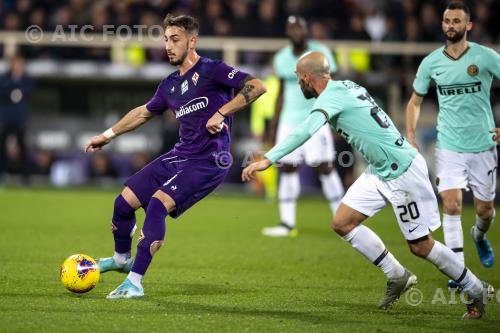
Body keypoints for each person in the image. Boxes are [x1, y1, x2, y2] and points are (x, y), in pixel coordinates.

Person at [242, 51, 493, 319]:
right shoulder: (347, 85)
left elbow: (305, 130)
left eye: (298, 79)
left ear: (306, 77)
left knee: (420, 245)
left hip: (401, 171)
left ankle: (477, 289)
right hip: (380, 169)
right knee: (342, 222)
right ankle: (397, 275)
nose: (298, 84)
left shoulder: (331, 97)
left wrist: (268, 159)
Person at [84, 14, 266, 299]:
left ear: (192, 42)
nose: (168, 46)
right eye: (166, 39)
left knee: (157, 205)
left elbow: (257, 86)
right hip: (180, 156)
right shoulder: (169, 84)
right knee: (123, 203)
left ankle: (135, 282)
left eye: (175, 40)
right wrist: (107, 136)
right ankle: (121, 260)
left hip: (210, 161)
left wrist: (222, 112)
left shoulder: (212, 69)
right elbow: (143, 113)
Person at [406, 2, 500, 290]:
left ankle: (480, 237)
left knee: (485, 211)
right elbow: (415, 101)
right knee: (451, 202)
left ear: (468, 25)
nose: (450, 25)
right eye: (447, 20)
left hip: (483, 145)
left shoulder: (485, 57)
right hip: (448, 145)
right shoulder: (431, 62)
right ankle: (460, 271)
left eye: (456, 21)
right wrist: (410, 133)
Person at [264, 16, 344, 237]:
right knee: (288, 168)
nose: (296, 32)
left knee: (325, 167)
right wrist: (273, 125)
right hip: (289, 120)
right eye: (291, 28)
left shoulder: (321, 53)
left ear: (306, 29)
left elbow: (334, 87)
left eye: (299, 27)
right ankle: (287, 224)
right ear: (287, 32)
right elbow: (280, 93)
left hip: (317, 116)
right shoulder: (281, 58)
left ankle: (344, 219)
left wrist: (336, 119)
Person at [0, 53, 34, 185]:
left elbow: (30, 89)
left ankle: (25, 177)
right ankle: (2, 174)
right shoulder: (5, 77)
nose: (18, 66)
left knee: (23, 148)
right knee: (2, 148)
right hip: (7, 118)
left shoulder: (26, 79)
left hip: (20, 119)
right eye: (16, 63)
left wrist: (19, 90)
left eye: (20, 63)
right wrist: (12, 91)